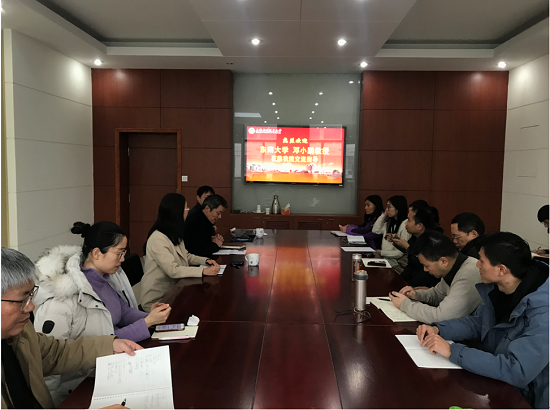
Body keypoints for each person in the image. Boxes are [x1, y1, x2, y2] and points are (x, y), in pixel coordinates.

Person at [33, 222, 171, 405]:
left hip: (107, 370)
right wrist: (146, 323)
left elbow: (121, 311)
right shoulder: (62, 299)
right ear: (97, 253)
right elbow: (102, 342)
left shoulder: (105, 279)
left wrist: (150, 317)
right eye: (119, 253)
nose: (123, 259)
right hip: (79, 386)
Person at [416, 232, 549, 409]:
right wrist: (438, 329)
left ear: (501, 269)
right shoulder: (499, 289)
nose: (477, 264)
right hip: (499, 385)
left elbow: (517, 370)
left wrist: (452, 350)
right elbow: (478, 323)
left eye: (481, 260)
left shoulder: (543, 312)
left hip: (529, 399)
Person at [1, 247, 141, 409]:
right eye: (22, 300)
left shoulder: (22, 333)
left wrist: (109, 345)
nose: (31, 307)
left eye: (31, 296)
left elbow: (55, 352)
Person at [141, 193, 220, 312]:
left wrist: (206, 260)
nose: (188, 211)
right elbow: (173, 270)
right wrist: (203, 271)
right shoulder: (158, 238)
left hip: (176, 290)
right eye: (186, 208)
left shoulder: (174, 233)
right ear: (177, 212)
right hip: (159, 299)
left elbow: (186, 256)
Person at [389, 231, 482, 324]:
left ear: (443, 261)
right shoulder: (453, 266)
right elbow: (438, 294)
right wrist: (416, 295)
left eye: (426, 265)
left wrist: (405, 304)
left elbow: (442, 317)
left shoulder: (468, 274)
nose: (425, 270)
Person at [390, 204, 441, 288]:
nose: (406, 223)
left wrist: (406, 285)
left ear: (420, 226)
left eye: (409, 220)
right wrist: (399, 282)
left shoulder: (433, 242)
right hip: (413, 283)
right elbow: (411, 266)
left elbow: (425, 276)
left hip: (426, 288)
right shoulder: (415, 237)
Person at [372, 195, 411, 271]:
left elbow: (400, 253)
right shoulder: (390, 223)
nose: (387, 210)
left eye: (389, 207)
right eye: (386, 207)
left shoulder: (404, 225)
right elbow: (375, 230)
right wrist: (384, 215)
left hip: (395, 263)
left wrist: (381, 252)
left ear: (398, 208)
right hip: (385, 260)